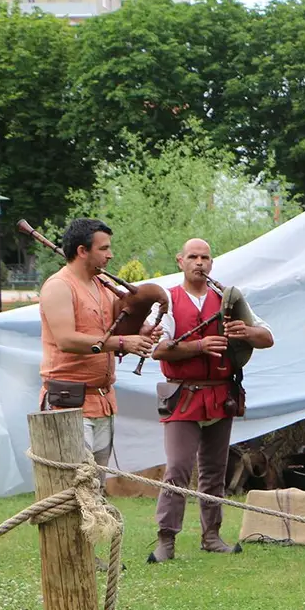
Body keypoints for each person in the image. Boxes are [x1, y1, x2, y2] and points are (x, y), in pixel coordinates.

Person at [146, 238, 275, 563]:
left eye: (205, 257)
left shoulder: (227, 299)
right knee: (177, 468)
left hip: (221, 393)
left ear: (211, 262)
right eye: (193, 256)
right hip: (182, 394)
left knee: (215, 470)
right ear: (180, 261)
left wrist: (243, 332)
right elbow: (157, 349)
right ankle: (166, 540)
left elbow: (267, 337)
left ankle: (211, 535)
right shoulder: (169, 301)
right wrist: (199, 347)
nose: (199, 262)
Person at [38, 218, 161, 484]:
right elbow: (66, 340)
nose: (110, 254)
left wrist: (139, 334)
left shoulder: (102, 283)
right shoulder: (59, 286)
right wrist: (123, 343)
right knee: (74, 486)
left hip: (103, 400)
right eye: (103, 249)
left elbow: (113, 332)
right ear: (82, 251)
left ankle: (93, 528)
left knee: (96, 485)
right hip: (68, 401)